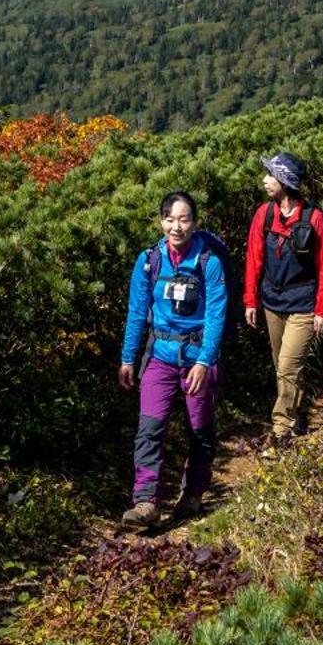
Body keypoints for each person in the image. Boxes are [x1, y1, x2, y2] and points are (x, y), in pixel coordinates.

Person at [117, 190, 226, 529]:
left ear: (194, 223)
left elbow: (216, 315)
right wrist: (128, 358)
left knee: (199, 431)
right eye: (170, 219)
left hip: (197, 358)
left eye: (183, 219)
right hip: (160, 356)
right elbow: (137, 312)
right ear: (161, 221)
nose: (176, 226)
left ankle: (192, 493)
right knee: (150, 428)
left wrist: (204, 362)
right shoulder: (149, 260)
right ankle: (146, 502)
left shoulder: (209, 262)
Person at [244, 152, 323, 441]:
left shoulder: (313, 218)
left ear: (285, 181)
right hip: (272, 303)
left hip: (304, 306)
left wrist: (322, 310)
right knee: (284, 368)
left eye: (270, 175)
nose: (265, 180)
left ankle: (281, 430)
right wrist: (251, 300)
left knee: (287, 367)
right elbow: (254, 259)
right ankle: (298, 414)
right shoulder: (265, 214)